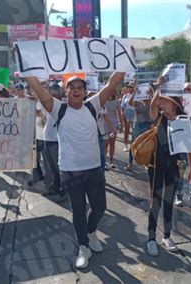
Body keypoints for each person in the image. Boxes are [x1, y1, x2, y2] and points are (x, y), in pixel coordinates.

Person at [26, 72, 125, 269]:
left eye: (80, 87)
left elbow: (112, 83)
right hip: (71, 171)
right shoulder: (58, 109)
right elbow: (39, 89)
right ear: (66, 91)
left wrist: (123, 62)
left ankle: (90, 232)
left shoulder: (93, 105)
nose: (76, 90)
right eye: (72, 87)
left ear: (85, 91)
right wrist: (26, 68)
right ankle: (83, 247)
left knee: (99, 208)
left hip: (94, 169)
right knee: (78, 210)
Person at [145, 78, 191, 256]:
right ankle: (151, 238)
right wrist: (158, 88)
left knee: (169, 201)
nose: (161, 103)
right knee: (155, 202)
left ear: (174, 104)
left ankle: (166, 236)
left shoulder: (184, 119)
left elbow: (189, 145)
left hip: (173, 166)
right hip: (155, 165)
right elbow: (152, 105)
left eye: (165, 100)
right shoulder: (158, 117)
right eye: (161, 100)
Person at [39, 81, 65, 201]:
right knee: (51, 167)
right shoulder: (48, 104)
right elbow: (42, 114)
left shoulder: (59, 104)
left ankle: (63, 191)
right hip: (48, 138)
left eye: (49, 91)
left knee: (58, 167)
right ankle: (55, 187)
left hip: (55, 140)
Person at [126, 85, 153, 171]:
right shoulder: (137, 101)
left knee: (146, 144)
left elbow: (156, 105)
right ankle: (130, 162)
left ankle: (146, 163)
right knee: (134, 144)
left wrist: (150, 95)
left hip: (147, 124)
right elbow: (130, 103)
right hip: (137, 123)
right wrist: (134, 92)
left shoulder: (150, 101)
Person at [104, 91, 123, 168]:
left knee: (112, 142)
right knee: (106, 143)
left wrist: (121, 123)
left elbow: (119, 113)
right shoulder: (103, 100)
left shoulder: (116, 101)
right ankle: (104, 160)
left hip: (114, 122)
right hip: (104, 123)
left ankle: (111, 159)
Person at [120, 81, 136, 152]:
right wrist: (123, 114)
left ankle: (134, 145)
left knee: (134, 130)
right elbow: (122, 107)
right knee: (126, 130)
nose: (129, 88)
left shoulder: (137, 95)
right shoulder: (125, 96)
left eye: (131, 87)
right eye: (129, 87)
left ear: (134, 88)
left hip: (135, 112)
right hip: (127, 112)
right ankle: (125, 145)